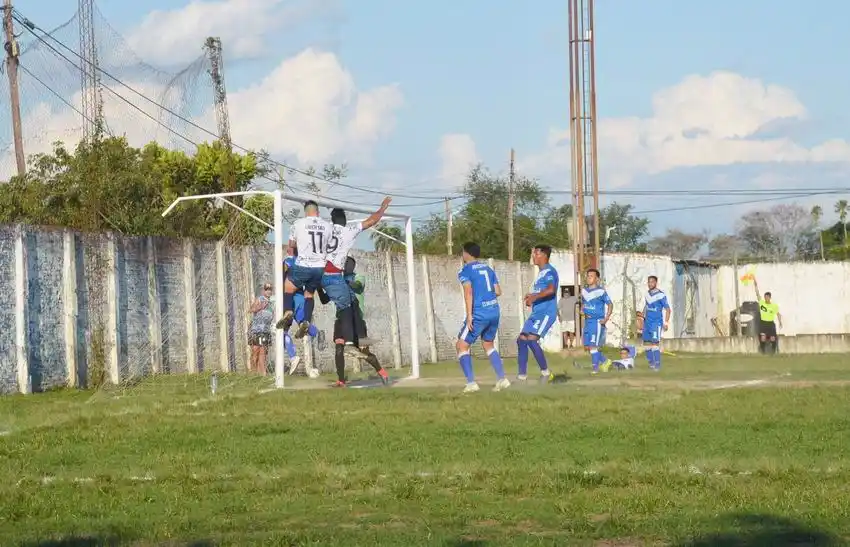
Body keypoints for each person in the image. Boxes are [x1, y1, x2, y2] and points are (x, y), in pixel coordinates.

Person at [322, 197, 392, 361]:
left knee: (344, 301)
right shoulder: (348, 231)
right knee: (349, 306)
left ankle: (304, 320)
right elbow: (371, 221)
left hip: (317, 273)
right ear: (345, 221)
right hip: (332, 275)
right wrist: (382, 208)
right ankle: (350, 343)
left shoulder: (324, 229)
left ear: (332, 220)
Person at [455, 242, 510, 393]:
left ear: (466, 254)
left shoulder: (465, 271)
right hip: (494, 311)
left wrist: (469, 315)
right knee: (488, 344)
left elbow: (468, 292)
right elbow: (498, 291)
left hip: (479, 313)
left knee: (461, 345)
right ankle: (502, 379)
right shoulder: (488, 269)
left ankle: (471, 383)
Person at [331, 257, 389, 387]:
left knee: (364, 352)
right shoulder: (338, 280)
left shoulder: (359, 277)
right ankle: (341, 380)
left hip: (357, 321)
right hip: (341, 319)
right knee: (339, 349)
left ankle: (381, 371)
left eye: (347, 264)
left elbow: (356, 286)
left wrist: (343, 282)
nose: (344, 267)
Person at [278, 200, 332, 339]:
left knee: (288, 287)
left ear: (305, 212)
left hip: (303, 265)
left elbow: (291, 245)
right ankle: (306, 321)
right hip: (319, 267)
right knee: (309, 295)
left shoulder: (298, 224)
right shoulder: (327, 226)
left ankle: (288, 311)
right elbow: (331, 245)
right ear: (317, 212)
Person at [516, 245, 559, 383]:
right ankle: (522, 377)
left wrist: (535, 297)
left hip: (546, 313)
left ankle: (546, 373)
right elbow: (543, 291)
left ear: (543, 255)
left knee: (531, 339)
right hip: (537, 312)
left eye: (535, 253)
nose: (533, 256)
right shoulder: (540, 273)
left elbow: (551, 290)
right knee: (522, 339)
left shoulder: (550, 272)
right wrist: (532, 296)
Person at [282, 256, 322, 375]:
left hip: (290, 299)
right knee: (303, 324)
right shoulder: (304, 263)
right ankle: (317, 333)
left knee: (281, 331)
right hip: (300, 298)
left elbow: (284, 279)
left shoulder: (288, 261)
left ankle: (293, 357)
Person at [581, 268, 614, 374]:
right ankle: (606, 361)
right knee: (588, 347)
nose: (588, 278)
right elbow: (583, 303)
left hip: (597, 322)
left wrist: (606, 318)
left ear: (597, 279)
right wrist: (582, 310)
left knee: (593, 346)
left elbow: (610, 304)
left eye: (591, 276)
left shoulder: (601, 291)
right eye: (587, 276)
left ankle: (595, 370)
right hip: (587, 322)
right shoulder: (584, 291)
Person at [636, 275, 671, 370]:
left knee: (655, 344)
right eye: (649, 282)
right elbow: (646, 307)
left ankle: (657, 366)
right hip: (647, 322)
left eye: (652, 282)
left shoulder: (661, 295)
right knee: (647, 343)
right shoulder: (647, 294)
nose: (650, 284)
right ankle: (651, 363)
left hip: (656, 323)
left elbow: (668, 309)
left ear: (656, 283)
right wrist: (641, 318)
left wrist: (666, 323)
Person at [247, 283, 274, 375]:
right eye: (267, 289)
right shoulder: (260, 299)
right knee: (255, 351)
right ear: (263, 291)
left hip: (266, 330)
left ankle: (262, 373)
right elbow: (251, 310)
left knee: (263, 352)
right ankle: (253, 372)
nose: (269, 291)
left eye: (270, 289)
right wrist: (259, 307)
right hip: (257, 330)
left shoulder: (272, 302)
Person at [753, 276, 782, 354]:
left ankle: (773, 352)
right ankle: (763, 352)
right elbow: (757, 294)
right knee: (763, 337)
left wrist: (780, 322)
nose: (765, 299)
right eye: (765, 297)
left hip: (770, 323)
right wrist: (755, 285)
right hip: (763, 323)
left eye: (767, 297)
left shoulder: (774, 306)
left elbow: (778, 314)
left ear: (769, 297)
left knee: (772, 338)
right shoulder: (762, 303)